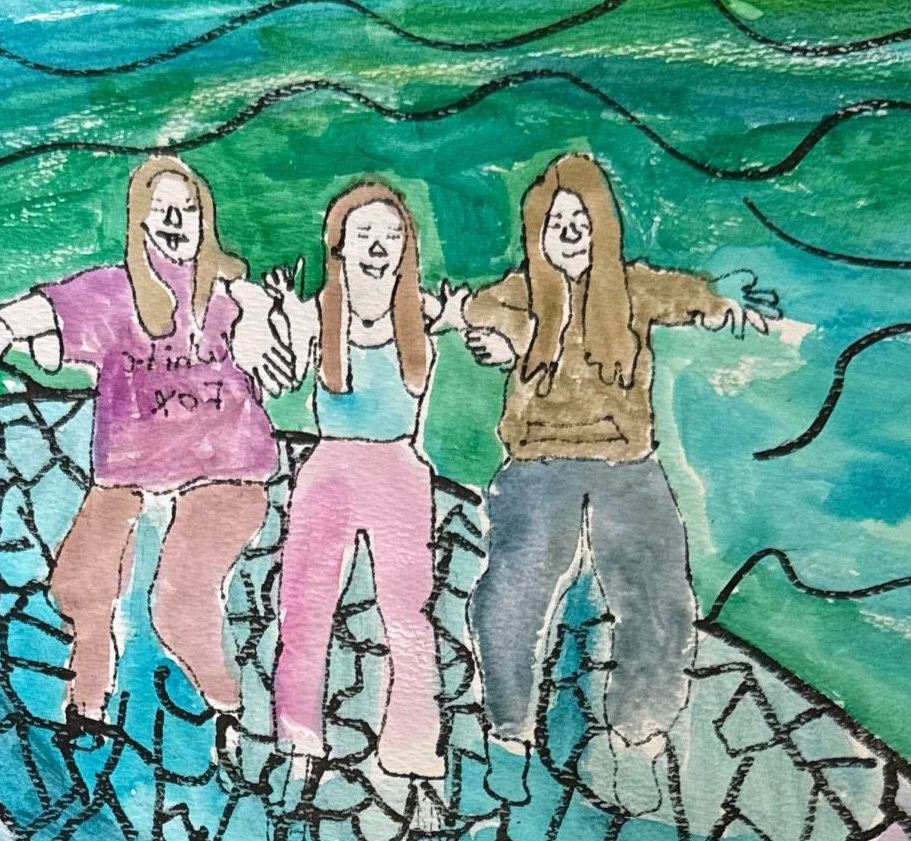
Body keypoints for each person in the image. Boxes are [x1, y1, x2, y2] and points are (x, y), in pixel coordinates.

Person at [433, 152, 773, 806]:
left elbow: (692, 296)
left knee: (659, 596)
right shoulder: (519, 292)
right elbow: (472, 313)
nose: (569, 233)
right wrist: (486, 334)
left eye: (581, 221)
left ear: (602, 228)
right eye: (556, 222)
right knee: (510, 593)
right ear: (537, 232)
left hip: (626, 465)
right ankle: (509, 729)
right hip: (536, 464)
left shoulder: (630, 287)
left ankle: (639, 733)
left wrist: (730, 304)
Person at [0, 155, 291, 739]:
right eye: (161, 209)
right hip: (131, 473)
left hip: (227, 468)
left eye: (188, 209)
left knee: (180, 601)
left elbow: (279, 338)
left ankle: (230, 709)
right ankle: (87, 707)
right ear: (140, 221)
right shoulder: (117, 290)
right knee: (78, 583)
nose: (175, 220)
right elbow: (47, 309)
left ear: (206, 220)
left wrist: (269, 320)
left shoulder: (232, 299)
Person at [265, 181, 446, 802]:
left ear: (406, 248)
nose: (378, 247)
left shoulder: (421, 315)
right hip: (331, 467)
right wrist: (282, 323)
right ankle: (301, 742)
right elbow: (283, 373)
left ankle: (413, 754)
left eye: (391, 236)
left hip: (399, 470)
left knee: (408, 617)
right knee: (304, 608)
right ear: (339, 245)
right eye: (364, 234)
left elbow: (483, 319)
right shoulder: (318, 313)